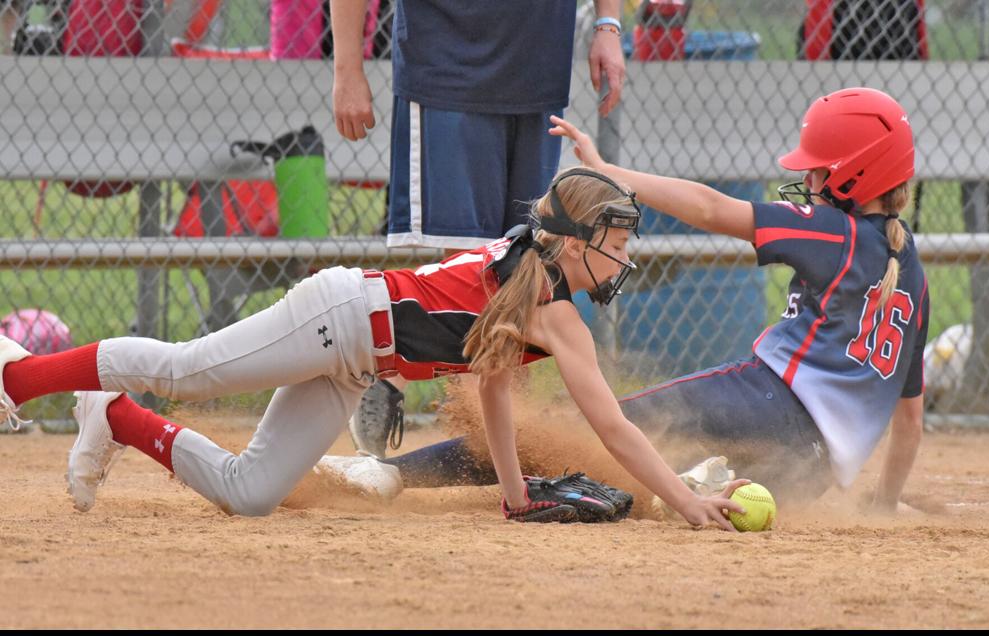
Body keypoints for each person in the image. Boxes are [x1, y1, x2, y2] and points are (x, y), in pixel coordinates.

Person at [0, 168, 749, 529]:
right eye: (615, 246)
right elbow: (613, 426)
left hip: (356, 361)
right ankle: (20, 375)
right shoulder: (555, 312)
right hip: (340, 316)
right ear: (578, 244)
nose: (622, 261)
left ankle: (118, 418)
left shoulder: (538, 289)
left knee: (251, 494)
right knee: (187, 371)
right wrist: (683, 502)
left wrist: (516, 496)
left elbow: (491, 385)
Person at [315, 87, 931, 515]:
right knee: (640, 491)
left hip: (766, 401)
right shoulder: (915, 275)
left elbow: (716, 210)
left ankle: (392, 474)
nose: (812, 182)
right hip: (813, 471)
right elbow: (909, 421)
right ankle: (691, 484)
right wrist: (883, 500)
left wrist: (614, 172)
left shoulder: (837, 232)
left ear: (857, 176)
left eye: (821, 172)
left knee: (586, 432)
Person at [329, 0, 629, 456]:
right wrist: (347, 68)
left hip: (538, 73)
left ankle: (504, 445)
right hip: (448, 68)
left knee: (531, 265)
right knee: (470, 269)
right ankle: (398, 382)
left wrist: (608, 24)